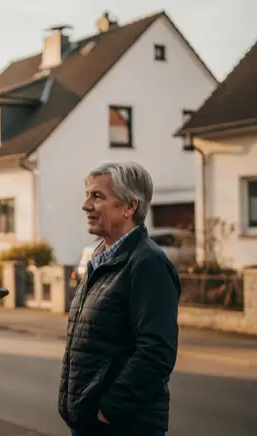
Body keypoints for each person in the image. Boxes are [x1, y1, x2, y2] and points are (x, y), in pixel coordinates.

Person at [58, 161, 181, 436]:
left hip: (123, 425)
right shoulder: (99, 258)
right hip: (90, 422)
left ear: (129, 207)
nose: (85, 205)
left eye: (97, 196)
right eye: (87, 194)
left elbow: (157, 351)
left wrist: (111, 409)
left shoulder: (147, 263)